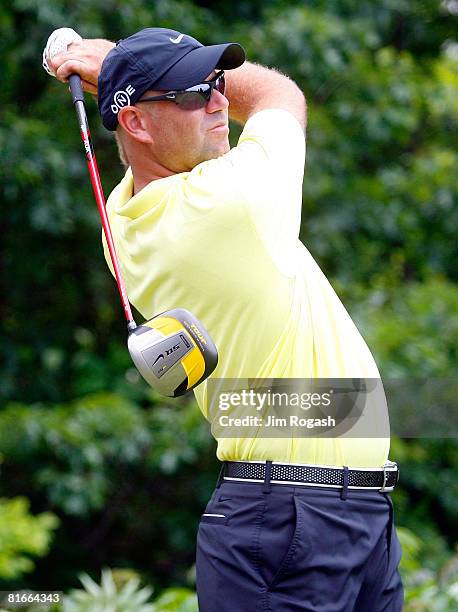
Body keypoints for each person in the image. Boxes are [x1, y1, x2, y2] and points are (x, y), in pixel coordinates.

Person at [47, 27, 403, 611]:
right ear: (135, 122)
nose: (218, 102)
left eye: (217, 84)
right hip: (289, 521)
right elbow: (276, 95)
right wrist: (111, 60)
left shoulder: (123, 223)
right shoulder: (232, 203)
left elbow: (162, 153)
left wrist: (130, 79)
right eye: (193, 93)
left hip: (334, 515)